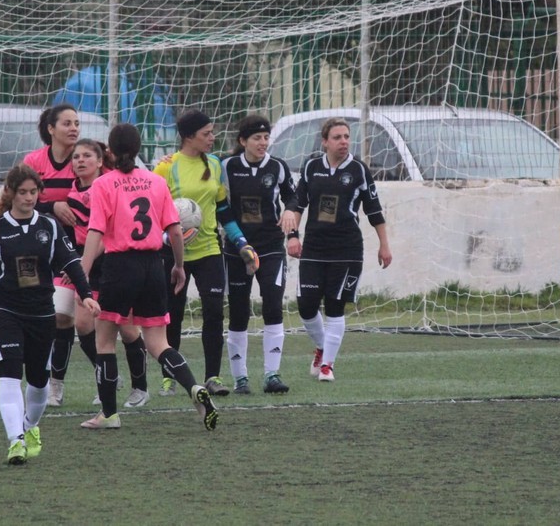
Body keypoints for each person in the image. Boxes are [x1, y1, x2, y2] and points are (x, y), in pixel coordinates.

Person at [78, 122, 218, 431]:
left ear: (109, 152)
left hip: (119, 267)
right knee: (158, 343)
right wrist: (178, 266)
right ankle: (194, 387)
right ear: (139, 148)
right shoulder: (156, 181)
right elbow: (175, 231)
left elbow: (96, 232)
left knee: (104, 342)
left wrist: (82, 274)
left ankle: (109, 414)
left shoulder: (102, 184)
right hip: (154, 265)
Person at [0, 163, 96, 464]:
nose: (29, 197)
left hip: (41, 312)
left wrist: (86, 295)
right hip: (5, 309)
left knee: (39, 382)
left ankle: (30, 426)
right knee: (9, 376)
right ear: (10, 193)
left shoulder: (49, 226)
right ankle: (16, 441)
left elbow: (70, 262)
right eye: (22, 192)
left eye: (33, 192)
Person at [152, 109, 258, 397]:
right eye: (206, 133)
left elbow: (224, 211)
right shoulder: (165, 168)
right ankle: (169, 377)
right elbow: (152, 214)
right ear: (189, 137)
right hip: (173, 254)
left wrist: (242, 243)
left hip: (210, 250)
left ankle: (213, 377)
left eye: (212, 132)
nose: (212, 137)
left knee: (213, 312)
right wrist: (167, 237)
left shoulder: (214, 164)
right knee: (172, 315)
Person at [281, 117, 393, 383]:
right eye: (337, 137)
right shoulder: (311, 167)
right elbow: (297, 204)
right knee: (306, 306)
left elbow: (374, 210)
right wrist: (293, 237)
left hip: (347, 249)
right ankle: (322, 347)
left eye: (346, 137)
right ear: (325, 141)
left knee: (335, 306)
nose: (343, 142)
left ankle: (327, 365)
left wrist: (384, 245)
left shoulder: (358, 170)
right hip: (314, 248)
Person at [66, 138, 149, 409]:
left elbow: (105, 232)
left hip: (113, 262)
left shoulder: (109, 186)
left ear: (101, 161)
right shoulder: (73, 194)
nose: (80, 160)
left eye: (87, 156)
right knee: (82, 324)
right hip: (88, 262)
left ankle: (140, 387)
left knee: (126, 328)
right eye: (76, 156)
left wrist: (83, 264)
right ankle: (108, 377)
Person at [221, 115, 298, 394]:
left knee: (273, 306)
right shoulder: (227, 166)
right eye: (257, 138)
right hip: (237, 250)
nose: (263, 142)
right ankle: (240, 379)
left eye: (266, 137)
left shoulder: (277, 167)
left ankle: (271, 375)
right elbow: (219, 203)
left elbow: (293, 196)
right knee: (239, 312)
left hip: (271, 248)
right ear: (243, 141)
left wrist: (290, 211)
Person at [22, 104, 84, 406]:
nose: (74, 128)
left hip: (75, 250)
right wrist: (52, 207)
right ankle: (46, 382)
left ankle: (58, 384)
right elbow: (18, 199)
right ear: (51, 128)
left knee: (67, 318)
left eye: (77, 123)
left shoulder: (84, 159)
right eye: (67, 123)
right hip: (39, 249)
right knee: (46, 317)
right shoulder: (34, 162)